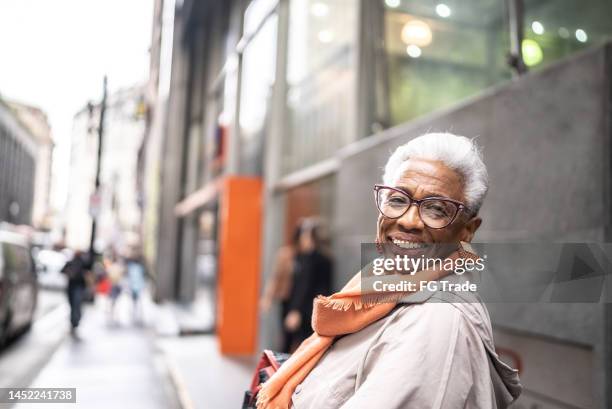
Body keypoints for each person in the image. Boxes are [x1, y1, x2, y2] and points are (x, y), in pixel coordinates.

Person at [255, 133, 522, 409]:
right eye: (397, 200)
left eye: (436, 209)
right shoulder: (387, 286)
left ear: (468, 230)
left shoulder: (436, 321)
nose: (409, 221)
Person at [283, 219, 332, 351]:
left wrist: (296, 310)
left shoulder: (311, 259)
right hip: (317, 307)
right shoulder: (324, 258)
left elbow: (305, 285)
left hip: (307, 310)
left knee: (302, 345)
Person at [260, 222, 303, 352]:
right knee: (287, 335)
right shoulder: (286, 254)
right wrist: (267, 297)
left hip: (304, 301)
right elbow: (275, 277)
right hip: (288, 299)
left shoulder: (309, 257)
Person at [61, 250, 91, 335]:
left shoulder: (84, 263)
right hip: (72, 287)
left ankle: (75, 321)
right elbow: (63, 270)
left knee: (76, 304)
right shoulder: (71, 262)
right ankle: (73, 321)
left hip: (79, 287)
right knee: (73, 305)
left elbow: (89, 272)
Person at [125, 252, 147, 322]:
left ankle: (135, 311)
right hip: (137, 286)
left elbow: (130, 277)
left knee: (135, 299)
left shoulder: (132, 268)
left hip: (134, 286)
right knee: (137, 299)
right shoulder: (139, 268)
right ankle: (137, 311)